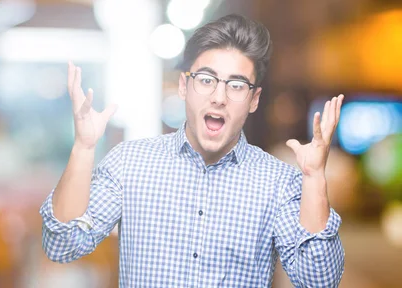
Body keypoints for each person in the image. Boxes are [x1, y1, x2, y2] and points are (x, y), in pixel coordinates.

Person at [39, 13, 345, 287]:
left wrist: (315, 177)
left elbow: (318, 280)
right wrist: (83, 147)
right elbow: (63, 245)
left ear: (254, 100)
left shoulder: (280, 182)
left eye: (236, 85)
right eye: (206, 80)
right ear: (184, 87)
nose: (218, 97)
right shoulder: (128, 163)